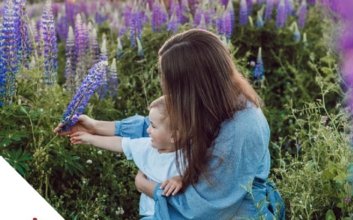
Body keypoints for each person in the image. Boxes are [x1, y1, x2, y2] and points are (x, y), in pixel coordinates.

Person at [55, 29, 285, 219]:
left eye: (171, 83)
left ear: (193, 86)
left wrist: (149, 188)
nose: (166, 88)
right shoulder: (215, 101)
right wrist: (94, 126)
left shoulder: (241, 129)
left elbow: (204, 209)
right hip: (201, 203)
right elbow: (163, 127)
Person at [58, 97, 183, 219]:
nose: (148, 130)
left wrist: (181, 178)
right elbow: (121, 143)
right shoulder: (147, 146)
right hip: (150, 214)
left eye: (153, 126)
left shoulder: (189, 157)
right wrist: (90, 138)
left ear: (174, 136)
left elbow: (197, 174)